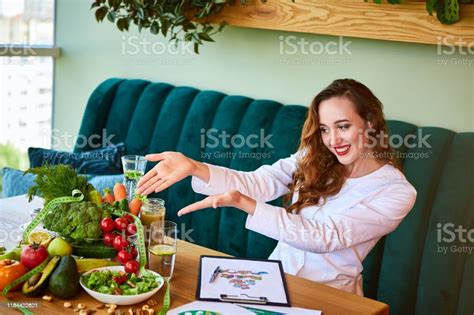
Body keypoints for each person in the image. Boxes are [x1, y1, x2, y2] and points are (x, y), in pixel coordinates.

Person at [136, 79, 417, 295]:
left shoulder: (396, 192)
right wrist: (195, 167)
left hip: (331, 295)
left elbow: (326, 236)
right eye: (324, 129)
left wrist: (243, 203)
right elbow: (259, 182)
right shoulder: (314, 158)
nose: (333, 140)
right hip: (274, 284)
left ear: (369, 123)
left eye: (343, 126)